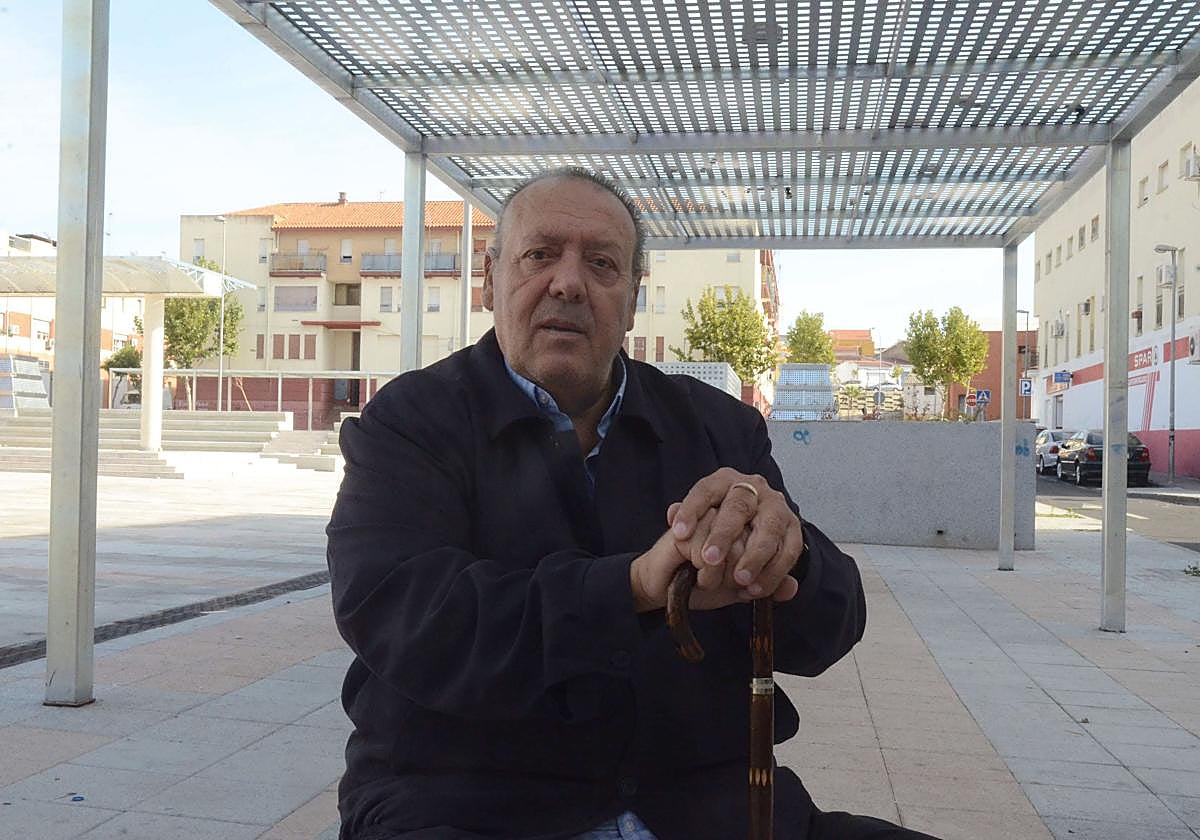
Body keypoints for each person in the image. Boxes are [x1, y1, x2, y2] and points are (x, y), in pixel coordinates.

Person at [326, 167, 940, 840]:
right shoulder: (410, 424)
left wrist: (786, 555)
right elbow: (406, 618)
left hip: (710, 809)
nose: (568, 283)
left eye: (602, 263)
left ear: (632, 299)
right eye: (540, 255)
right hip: (464, 806)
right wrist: (633, 588)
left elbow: (828, 632)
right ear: (490, 279)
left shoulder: (717, 429)